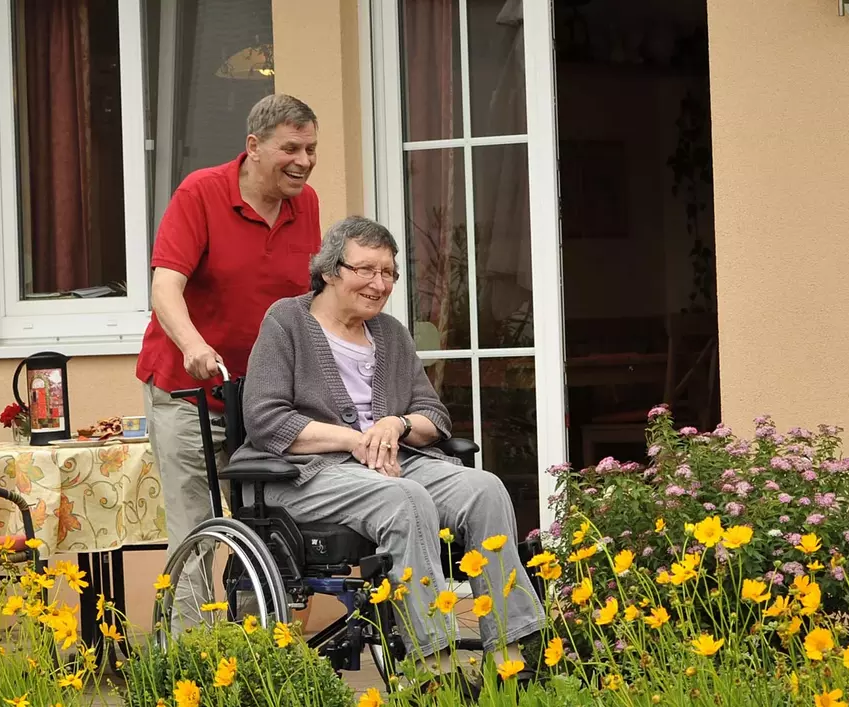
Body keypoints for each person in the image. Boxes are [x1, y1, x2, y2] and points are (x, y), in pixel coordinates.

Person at [235, 216, 545, 685]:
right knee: (404, 499)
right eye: (366, 270)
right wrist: (355, 439)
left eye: (388, 273)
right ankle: (434, 666)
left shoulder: (391, 334)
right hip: (303, 475)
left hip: (391, 464)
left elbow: (433, 417)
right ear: (330, 271)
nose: (379, 284)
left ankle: (510, 653)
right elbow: (265, 419)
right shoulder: (286, 322)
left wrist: (394, 423)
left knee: (484, 489)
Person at [137, 94, 320, 623]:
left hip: (263, 399)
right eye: (291, 148)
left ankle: (260, 649)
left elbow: (309, 302)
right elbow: (165, 286)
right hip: (189, 390)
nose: (303, 161)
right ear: (254, 146)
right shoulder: (202, 192)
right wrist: (194, 344)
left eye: (311, 149)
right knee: (196, 530)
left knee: (266, 522)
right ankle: (189, 657)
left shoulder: (305, 204)